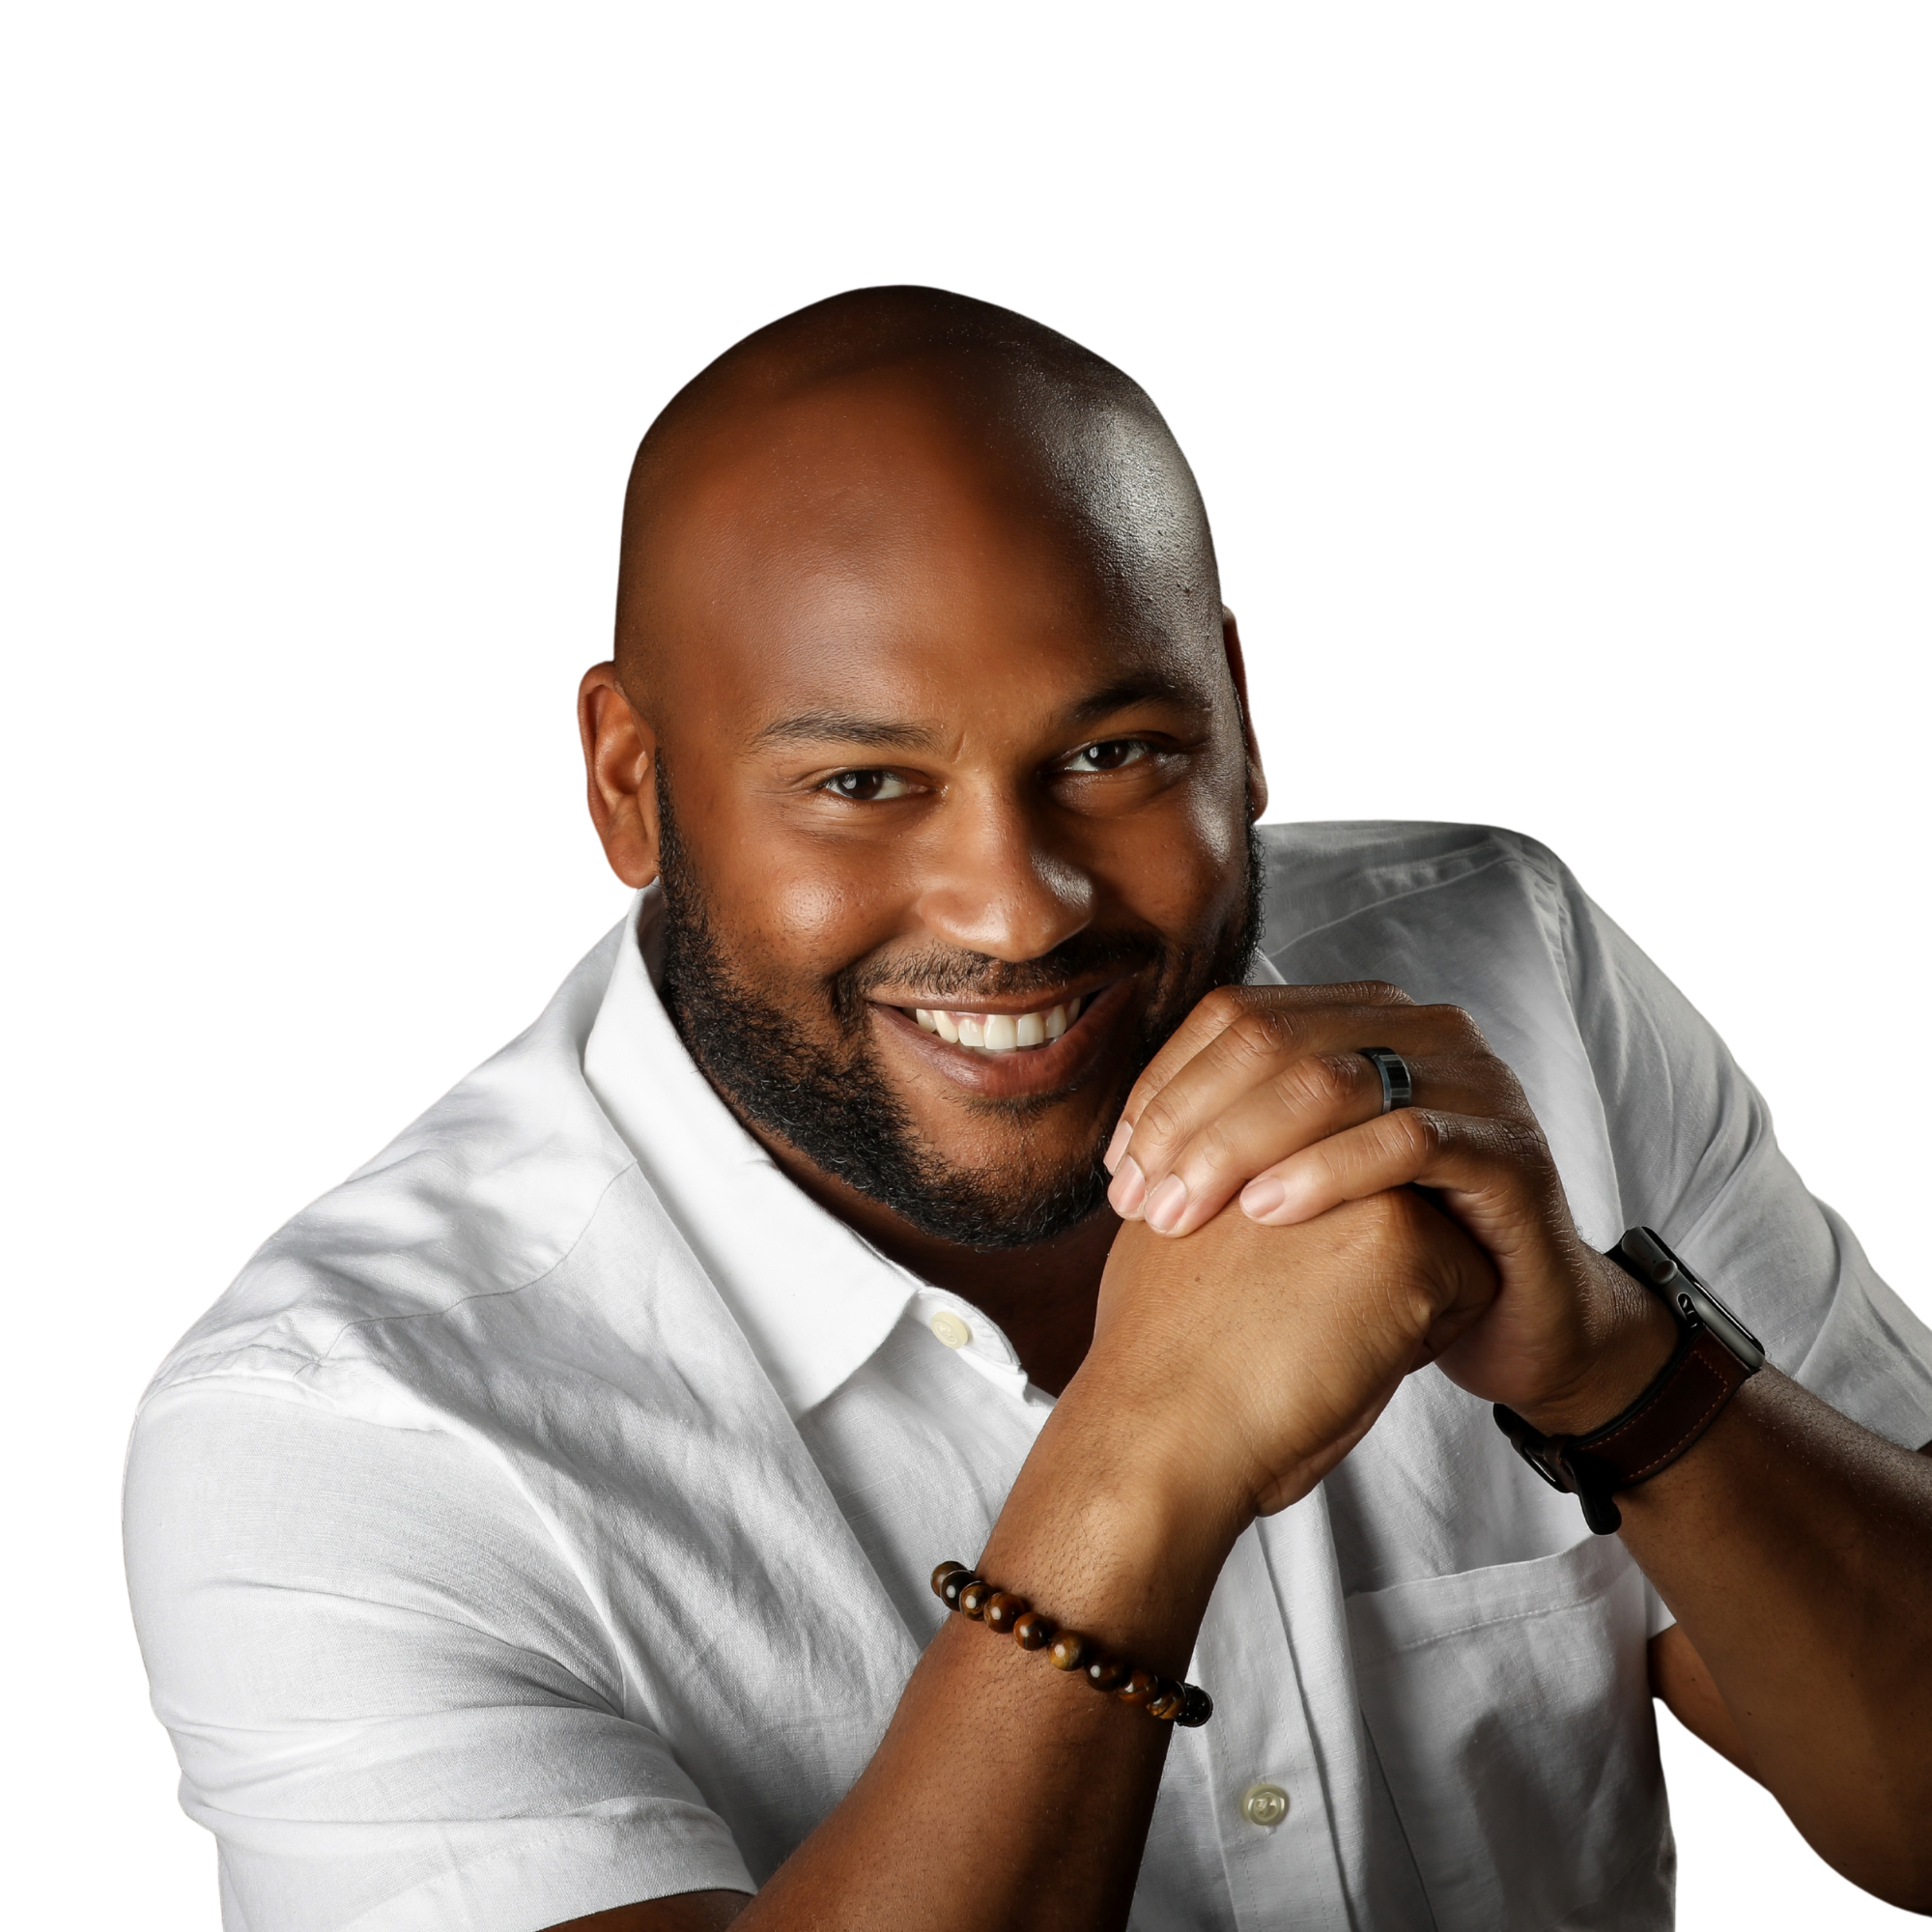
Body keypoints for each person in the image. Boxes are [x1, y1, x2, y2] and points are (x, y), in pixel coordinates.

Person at [120, 287, 1932, 1932]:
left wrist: (1624, 1375)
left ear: (1239, 707)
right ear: (628, 791)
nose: (1017, 906)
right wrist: (1139, 1467)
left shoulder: (1509, 979)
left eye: (1113, 755)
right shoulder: (337, 1431)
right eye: (862, 781)